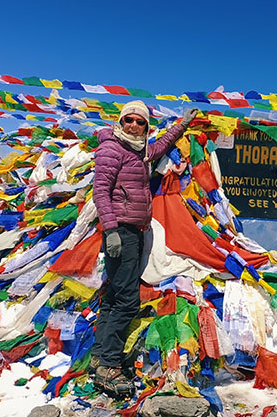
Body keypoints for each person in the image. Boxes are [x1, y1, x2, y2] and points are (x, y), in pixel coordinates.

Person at [90, 100, 198, 396]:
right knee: (127, 300)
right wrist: (110, 230)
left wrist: (182, 126)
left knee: (114, 295)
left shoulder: (138, 149)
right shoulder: (112, 148)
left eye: (140, 122)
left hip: (135, 230)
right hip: (120, 231)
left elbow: (159, 147)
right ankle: (110, 365)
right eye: (129, 120)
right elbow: (100, 191)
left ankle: (99, 357)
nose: (134, 126)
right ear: (120, 121)